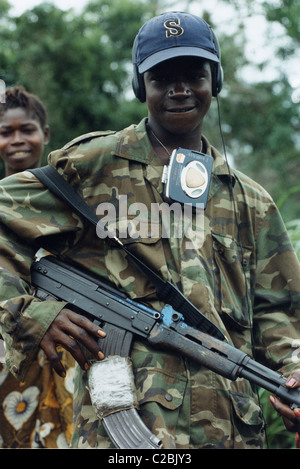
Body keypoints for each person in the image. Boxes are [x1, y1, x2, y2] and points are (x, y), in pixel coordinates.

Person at [0, 12, 300, 449]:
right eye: (162, 77)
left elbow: (280, 310)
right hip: (120, 429)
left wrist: (291, 374)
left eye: (193, 75)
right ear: (142, 86)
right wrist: (31, 314)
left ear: (214, 81)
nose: (180, 89)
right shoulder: (93, 167)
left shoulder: (249, 200)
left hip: (232, 430)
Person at [0, 86, 74, 448]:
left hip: (65, 345)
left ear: (45, 134)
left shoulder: (69, 199)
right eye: (5, 132)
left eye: (27, 129)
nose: (17, 139)